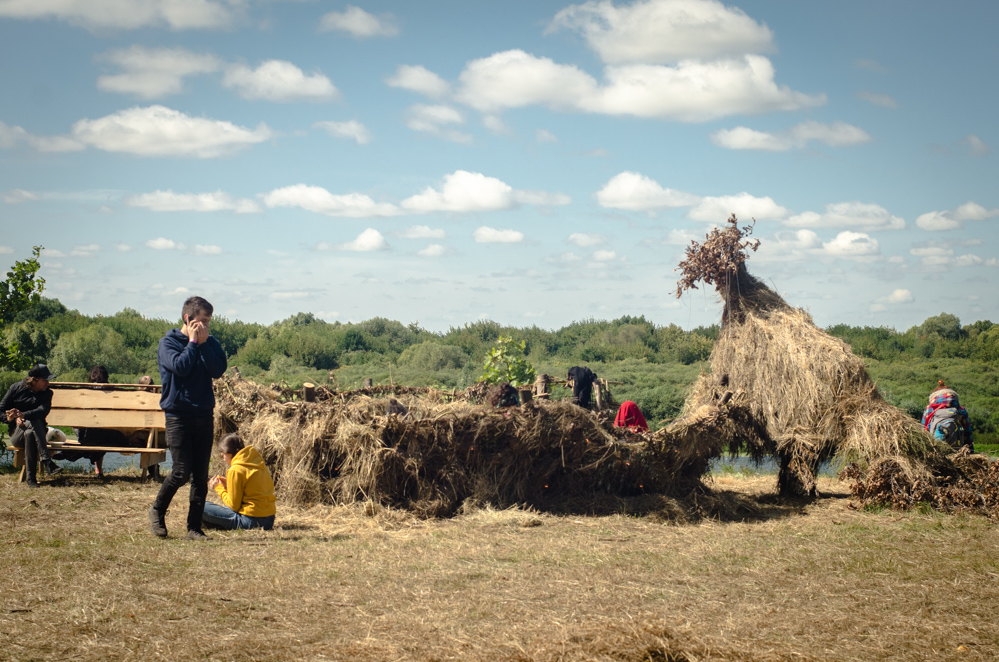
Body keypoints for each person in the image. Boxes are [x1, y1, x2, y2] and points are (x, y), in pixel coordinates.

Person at [149, 296, 227, 541]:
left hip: (204, 413)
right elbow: (180, 367)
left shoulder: (210, 342)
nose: (205, 326)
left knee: (200, 475)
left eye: (208, 321)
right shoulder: (168, 343)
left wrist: (203, 345)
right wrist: (193, 343)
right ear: (188, 318)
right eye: (201, 320)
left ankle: (194, 528)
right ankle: (157, 510)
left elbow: (218, 370)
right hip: (178, 415)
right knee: (182, 471)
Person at [1, 364, 61, 488]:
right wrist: (10, 418)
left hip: (35, 434)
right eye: (45, 380)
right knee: (34, 422)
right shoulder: (16, 388)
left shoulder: (47, 394)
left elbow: (43, 411)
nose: (47, 383)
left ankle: (31, 480)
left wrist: (24, 415)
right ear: (34, 379)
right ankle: (46, 460)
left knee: (31, 428)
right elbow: (1, 410)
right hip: (16, 434)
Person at [203, 433, 276, 531]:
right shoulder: (258, 463)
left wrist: (218, 487)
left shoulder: (235, 470)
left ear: (228, 452)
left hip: (250, 520)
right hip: (269, 520)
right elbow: (251, 491)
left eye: (223, 455)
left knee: (200, 506)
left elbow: (234, 505)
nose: (223, 458)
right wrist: (229, 485)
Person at [922, 381, 973, 451]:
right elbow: (968, 434)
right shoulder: (961, 410)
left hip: (936, 449)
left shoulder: (929, 409)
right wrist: (971, 450)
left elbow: (924, 432)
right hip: (957, 449)